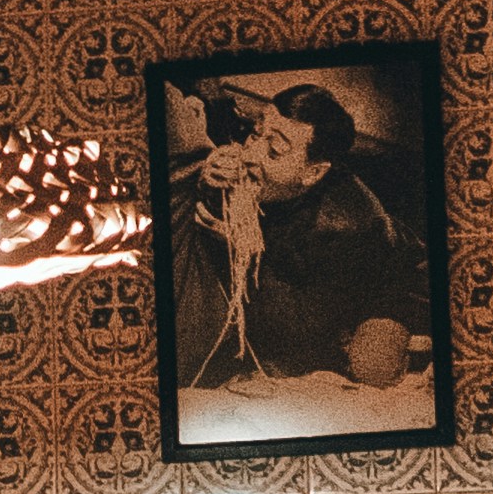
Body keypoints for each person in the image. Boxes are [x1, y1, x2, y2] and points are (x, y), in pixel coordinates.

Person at [160, 79, 428, 401]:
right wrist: (207, 177)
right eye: (256, 134)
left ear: (312, 174)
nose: (252, 154)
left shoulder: (344, 226)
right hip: (312, 272)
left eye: (274, 150)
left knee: (372, 366)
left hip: (399, 275)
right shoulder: (263, 174)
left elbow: (293, 338)